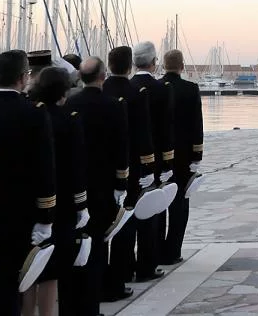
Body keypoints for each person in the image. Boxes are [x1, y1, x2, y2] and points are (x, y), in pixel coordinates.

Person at [0, 49, 57, 316]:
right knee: (12, 280)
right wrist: (45, 214)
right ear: (22, 78)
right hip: (19, 210)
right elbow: (44, 168)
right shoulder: (33, 113)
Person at [66, 56, 131, 313]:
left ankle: (74, 302)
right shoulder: (114, 106)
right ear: (102, 77)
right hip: (103, 182)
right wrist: (121, 182)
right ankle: (94, 299)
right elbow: (121, 147)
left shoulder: (70, 103)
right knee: (98, 242)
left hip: (76, 182)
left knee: (77, 244)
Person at [24, 66, 89, 316]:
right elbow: (77, 166)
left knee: (29, 267)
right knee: (51, 270)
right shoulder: (68, 119)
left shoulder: (29, 113)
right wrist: (81, 204)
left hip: (28, 197)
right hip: (61, 201)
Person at [102, 45, 154, 299]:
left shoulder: (101, 90)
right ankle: (122, 272)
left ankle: (103, 277)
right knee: (126, 222)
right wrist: (148, 167)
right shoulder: (136, 93)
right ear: (129, 66)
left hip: (100, 168)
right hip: (129, 166)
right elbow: (143, 134)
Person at [130, 42, 173, 282]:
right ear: (154, 62)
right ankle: (148, 263)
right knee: (153, 214)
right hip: (153, 158)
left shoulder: (128, 87)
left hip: (128, 161)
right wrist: (167, 163)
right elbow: (166, 130)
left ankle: (125, 266)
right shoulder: (161, 89)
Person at [161, 49, 203, 266]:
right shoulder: (190, 89)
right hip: (184, 155)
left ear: (162, 64)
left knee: (158, 205)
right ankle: (173, 250)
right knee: (180, 203)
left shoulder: (156, 88)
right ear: (182, 66)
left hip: (159, 157)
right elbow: (197, 125)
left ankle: (156, 249)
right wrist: (198, 154)